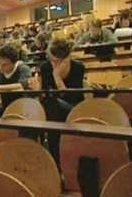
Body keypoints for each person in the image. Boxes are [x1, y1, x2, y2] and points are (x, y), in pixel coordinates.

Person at [39, 37, 85, 167]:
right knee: (50, 105)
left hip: (73, 107)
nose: (53, 64)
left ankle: (59, 162)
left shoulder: (78, 68)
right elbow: (46, 94)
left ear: (67, 59)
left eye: (57, 61)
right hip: (53, 110)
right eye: (51, 60)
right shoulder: (45, 67)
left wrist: (57, 77)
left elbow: (71, 95)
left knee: (52, 106)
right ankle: (55, 164)